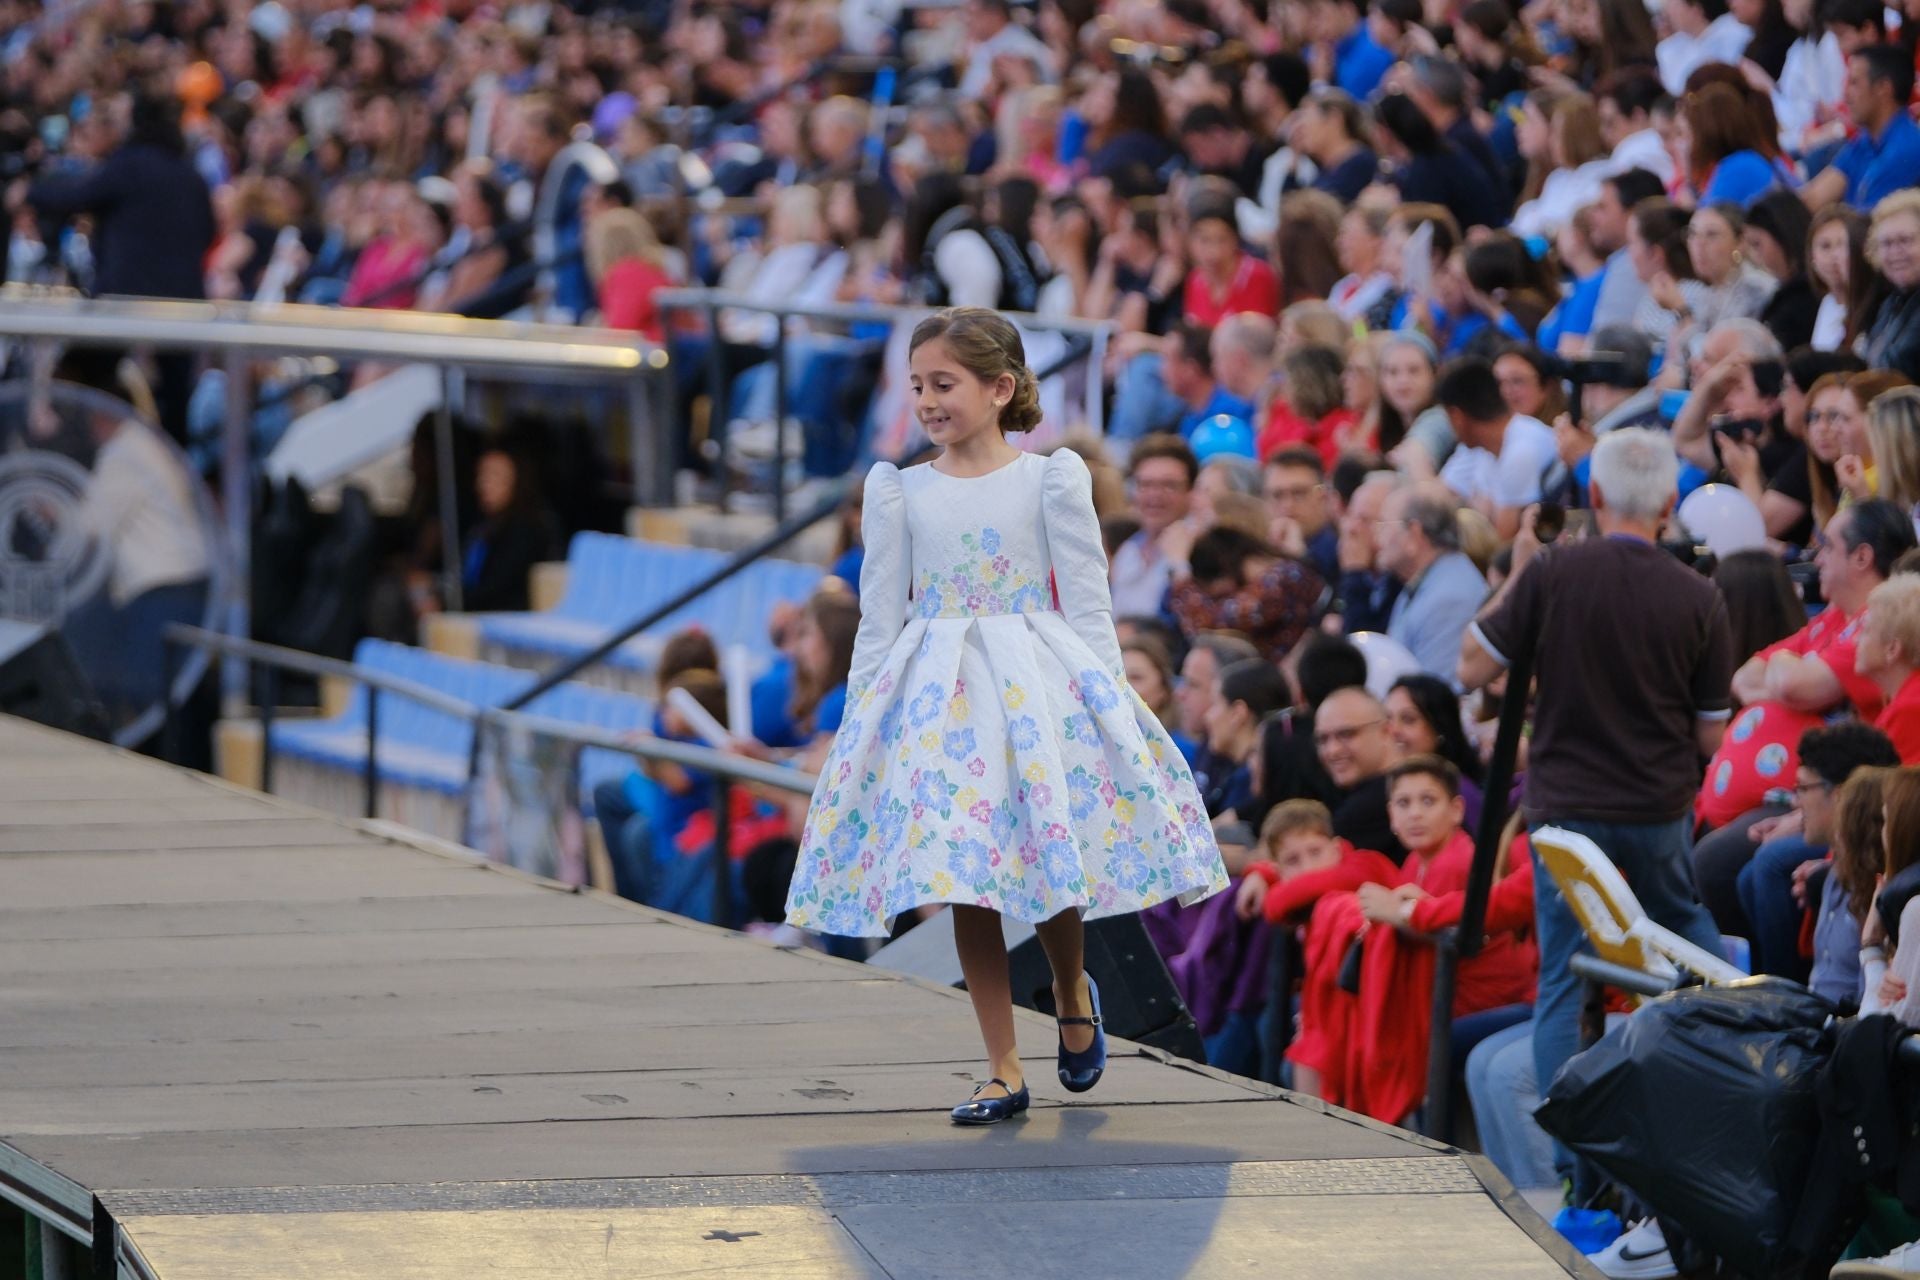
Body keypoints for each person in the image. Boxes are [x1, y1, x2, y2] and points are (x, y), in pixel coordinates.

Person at [785, 307, 1228, 1125]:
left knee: (1047, 853)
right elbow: (881, 616)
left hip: (1032, 680)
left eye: (944, 384)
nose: (927, 401)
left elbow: (1088, 602)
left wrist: (1109, 703)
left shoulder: (1050, 478)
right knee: (963, 877)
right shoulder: (900, 490)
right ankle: (1001, 1064)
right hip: (937, 695)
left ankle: (1069, 990)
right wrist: (860, 722)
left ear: (1001, 387)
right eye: (917, 384)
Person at [1458, 427, 1735, 1198]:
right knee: (1687, 956)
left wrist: (1519, 573)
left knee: (1559, 983)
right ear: (1670, 505)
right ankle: (1714, 1102)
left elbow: (1472, 663)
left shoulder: (1553, 572)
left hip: (1565, 811)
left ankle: (1578, 1168)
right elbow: (1712, 730)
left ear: (1596, 496)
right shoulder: (1699, 594)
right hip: (1657, 809)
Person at [1434, 357, 1558, 540]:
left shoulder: (1522, 450)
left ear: (1457, 417)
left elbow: (1500, 542)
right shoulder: (1478, 446)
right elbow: (1439, 496)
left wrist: (1477, 507)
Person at [1378, 482, 1489, 681]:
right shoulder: (1428, 578)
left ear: (1414, 533)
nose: (1378, 538)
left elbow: (1436, 693)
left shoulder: (1449, 598)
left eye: (1384, 525)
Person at [1798, 44, 1920, 213]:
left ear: (1883, 88)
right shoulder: (1864, 141)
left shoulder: (1907, 148)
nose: (1846, 95)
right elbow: (1812, 198)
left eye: (1854, 83)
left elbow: (1867, 225)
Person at [1313, 686, 1409, 864]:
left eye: (1346, 734)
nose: (1332, 750)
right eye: (1322, 739)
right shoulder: (1426, 779)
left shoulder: (1367, 809)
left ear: (1386, 731)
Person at [1110, 434, 1198, 617]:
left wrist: (1180, 567)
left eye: (1169, 485)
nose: (1155, 496)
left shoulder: (1201, 548)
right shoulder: (1127, 551)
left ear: (1191, 492)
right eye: (1145, 484)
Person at [1862, 191, 1920, 383]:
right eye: (1886, 244)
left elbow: (1900, 367)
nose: (1895, 252)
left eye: (1905, 240)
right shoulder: (1891, 302)